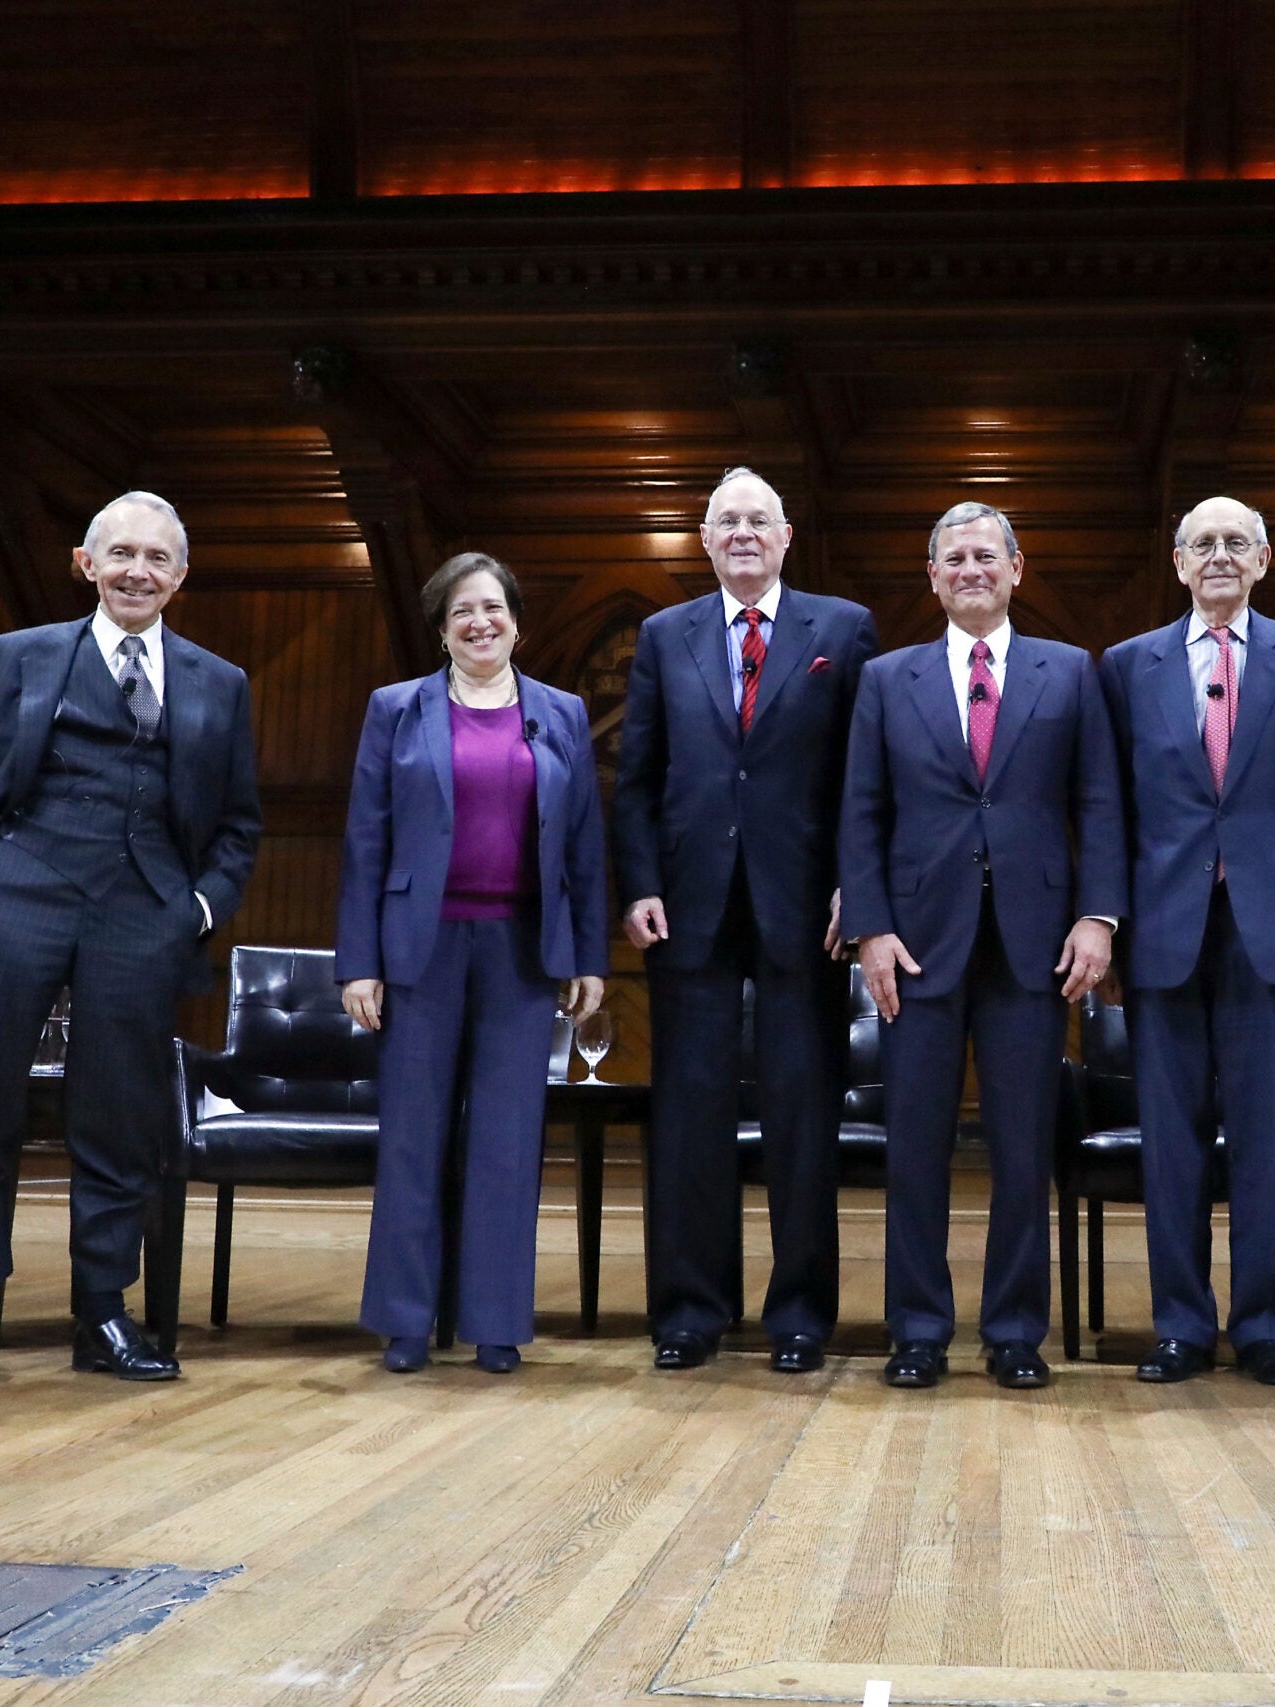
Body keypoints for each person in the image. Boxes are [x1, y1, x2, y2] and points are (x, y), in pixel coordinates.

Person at [0, 491, 262, 1393]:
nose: (139, 570)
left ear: (180, 577)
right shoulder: (12, 658)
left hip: (145, 907)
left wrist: (199, 909)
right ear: (85, 564)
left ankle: (103, 1311)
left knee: (120, 1116)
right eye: (121, 553)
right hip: (15, 892)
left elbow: (239, 826)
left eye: (158, 558)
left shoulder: (220, 681)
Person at [839, 502, 1124, 1389]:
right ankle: (918, 1330)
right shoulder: (887, 679)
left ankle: (1013, 1332)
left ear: (1016, 569)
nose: (971, 569)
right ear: (932, 577)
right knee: (914, 1148)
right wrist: (871, 929)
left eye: (985, 556)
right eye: (953, 558)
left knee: (1020, 1147)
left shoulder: (1071, 672)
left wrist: (1098, 915)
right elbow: (862, 812)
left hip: (1034, 944)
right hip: (917, 945)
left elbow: (1100, 804)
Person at [611, 467, 878, 1372]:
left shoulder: (840, 630)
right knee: (688, 1115)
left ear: (787, 534)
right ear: (704, 536)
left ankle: (800, 1313)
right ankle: (691, 1308)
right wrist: (639, 881)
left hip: (807, 907)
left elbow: (860, 777)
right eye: (727, 520)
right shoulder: (662, 634)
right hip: (688, 906)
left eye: (759, 519)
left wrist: (859, 884)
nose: (743, 533)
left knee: (804, 1117)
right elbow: (638, 776)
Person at [335, 554, 607, 1374]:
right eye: (462, 612)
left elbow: (586, 846)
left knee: (507, 1140)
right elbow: (364, 842)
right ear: (442, 627)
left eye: (493, 608)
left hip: (522, 949)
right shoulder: (397, 709)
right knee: (413, 1137)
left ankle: (495, 1320)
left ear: (517, 622)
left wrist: (588, 952)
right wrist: (360, 963)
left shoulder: (561, 712)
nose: (479, 623)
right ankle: (408, 1321)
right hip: (421, 947)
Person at [1099, 495, 1275, 1386]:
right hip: (1163, 931)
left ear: (1265, 558)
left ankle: (1266, 1327)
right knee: (1170, 1142)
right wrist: (1109, 927)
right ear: (1176, 561)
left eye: (1235, 542)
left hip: (1273, 931)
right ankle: (1179, 1326)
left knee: (1260, 1138)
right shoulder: (1128, 665)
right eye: (1201, 542)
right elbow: (1110, 811)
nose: (1218, 556)